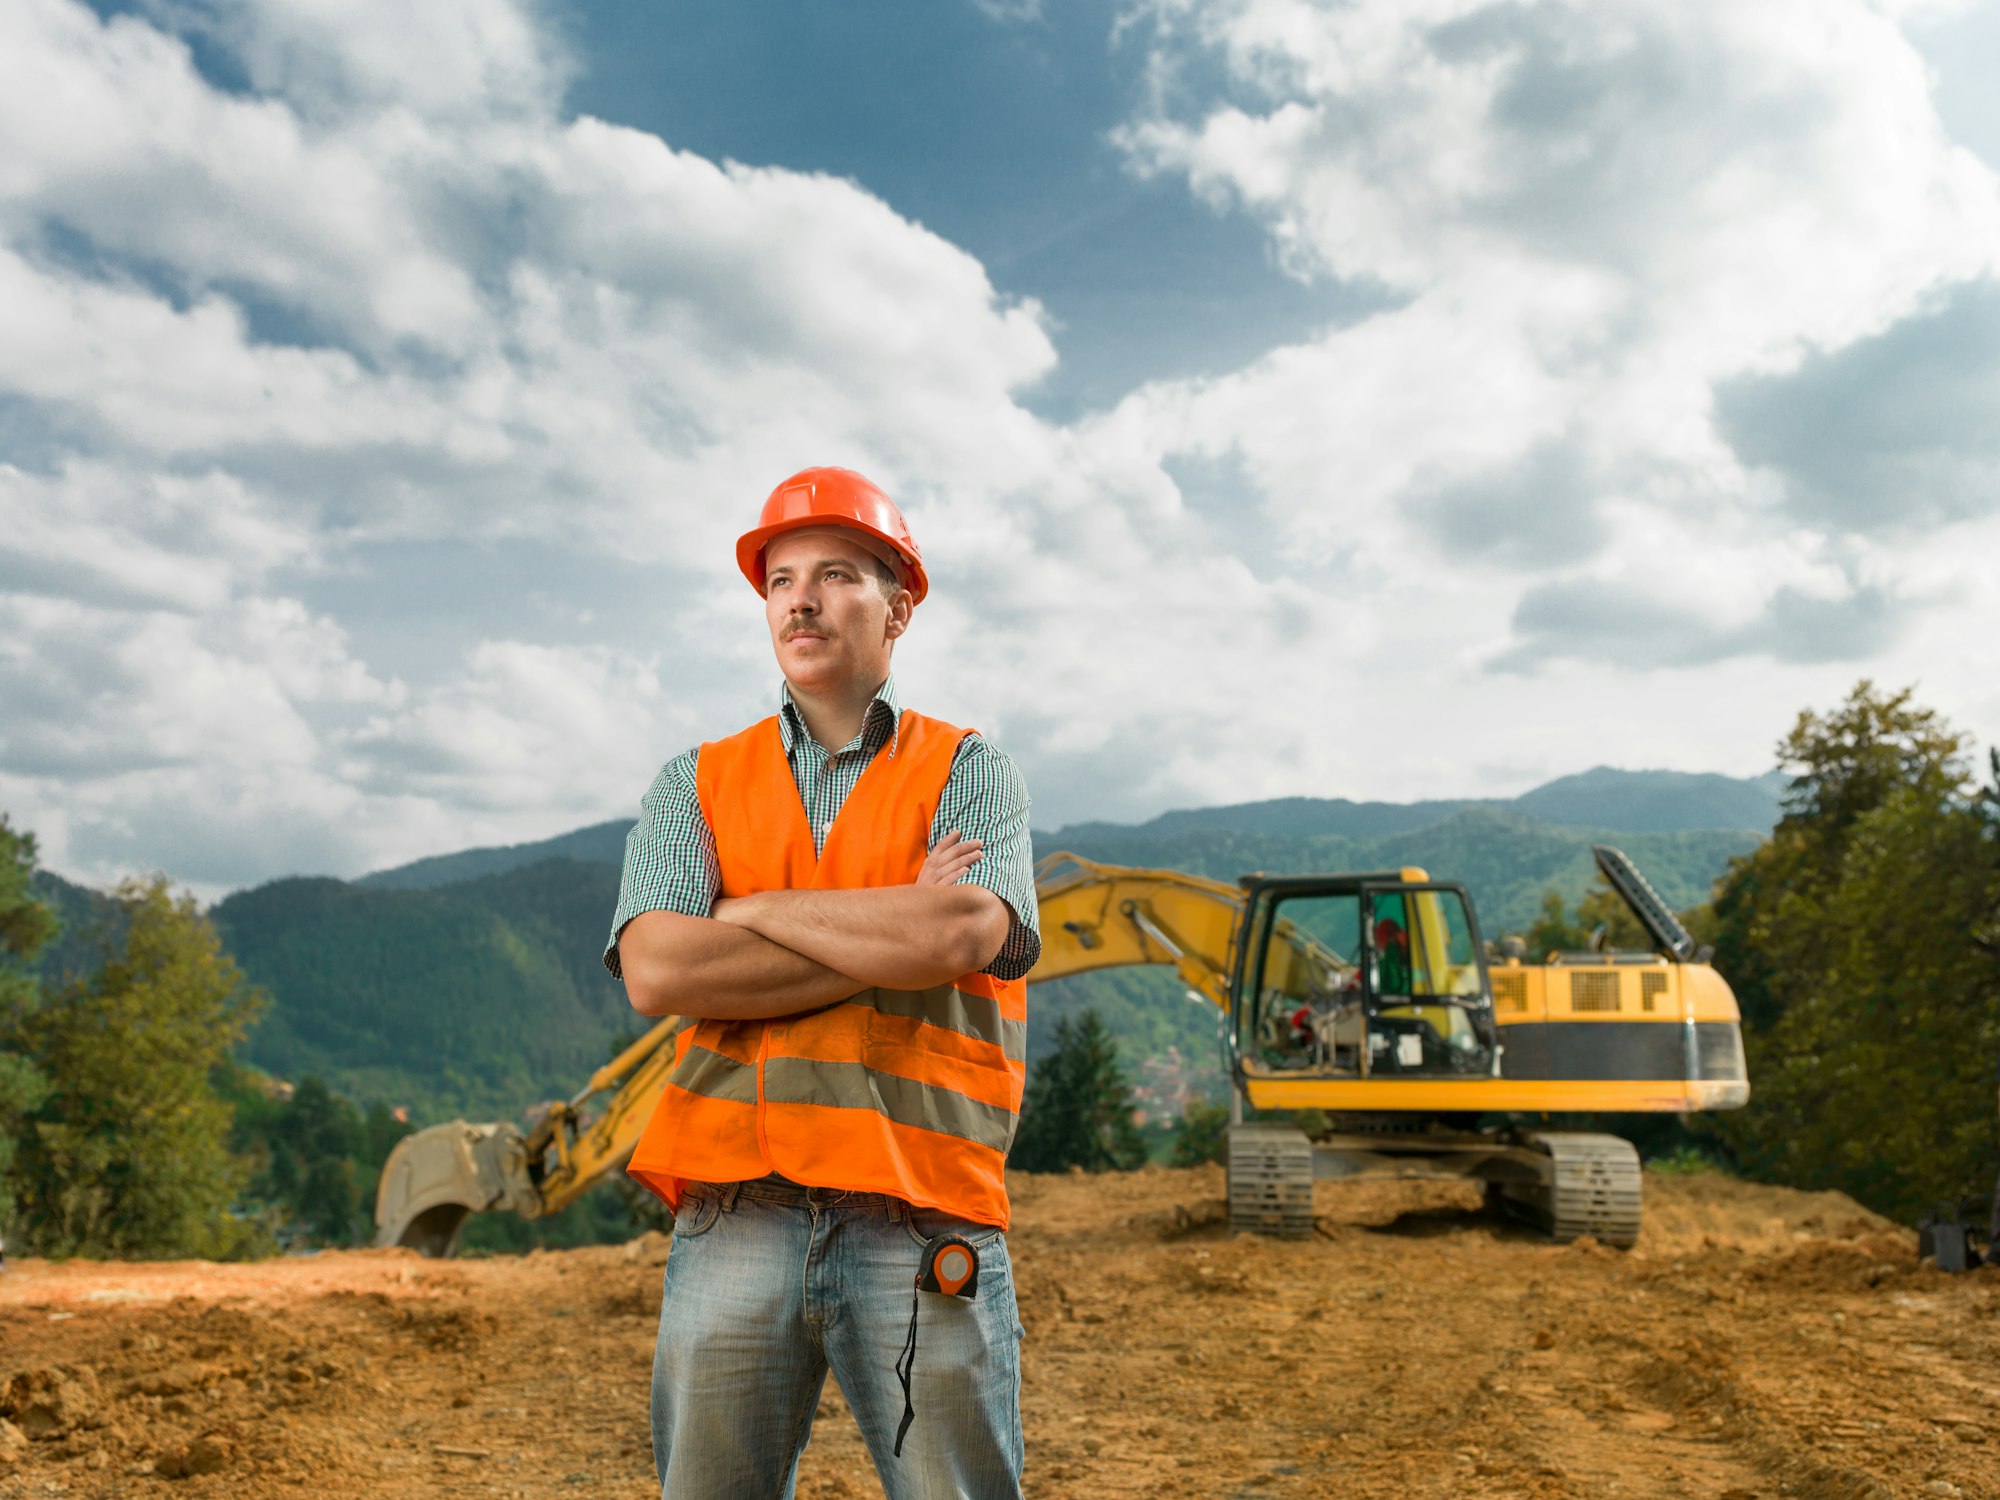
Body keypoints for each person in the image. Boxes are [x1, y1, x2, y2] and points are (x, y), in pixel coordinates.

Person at [603, 466, 1040, 1499]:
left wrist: (743, 913)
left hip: (921, 1212)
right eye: (779, 578)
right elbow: (657, 966)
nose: (798, 598)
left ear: (897, 609)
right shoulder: (693, 783)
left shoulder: (969, 771)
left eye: (835, 573)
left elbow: (965, 929)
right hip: (734, 1214)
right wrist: (887, 918)